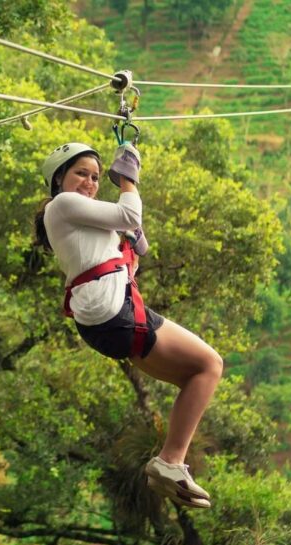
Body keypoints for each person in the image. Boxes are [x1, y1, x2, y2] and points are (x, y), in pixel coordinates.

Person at [33, 142, 224, 509]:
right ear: (59, 179)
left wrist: (129, 246)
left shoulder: (77, 217)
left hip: (106, 321)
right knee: (209, 364)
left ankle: (171, 463)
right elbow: (128, 214)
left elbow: (121, 234)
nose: (90, 182)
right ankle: (169, 462)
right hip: (114, 317)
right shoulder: (61, 204)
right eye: (81, 174)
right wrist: (128, 180)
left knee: (196, 377)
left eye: (95, 177)